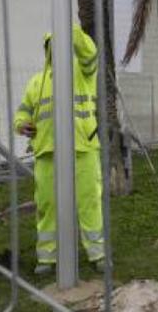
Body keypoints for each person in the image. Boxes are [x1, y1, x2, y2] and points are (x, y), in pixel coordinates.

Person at [13, 25, 104, 275]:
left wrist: (68, 28)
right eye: (52, 45)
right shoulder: (36, 82)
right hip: (47, 153)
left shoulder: (82, 72)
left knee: (89, 203)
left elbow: (89, 53)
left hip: (82, 148)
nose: (56, 50)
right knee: (47, 205)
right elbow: (22, 111)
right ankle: (48, 257)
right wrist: (21, 124)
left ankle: (97, 254)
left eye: (60, 44)